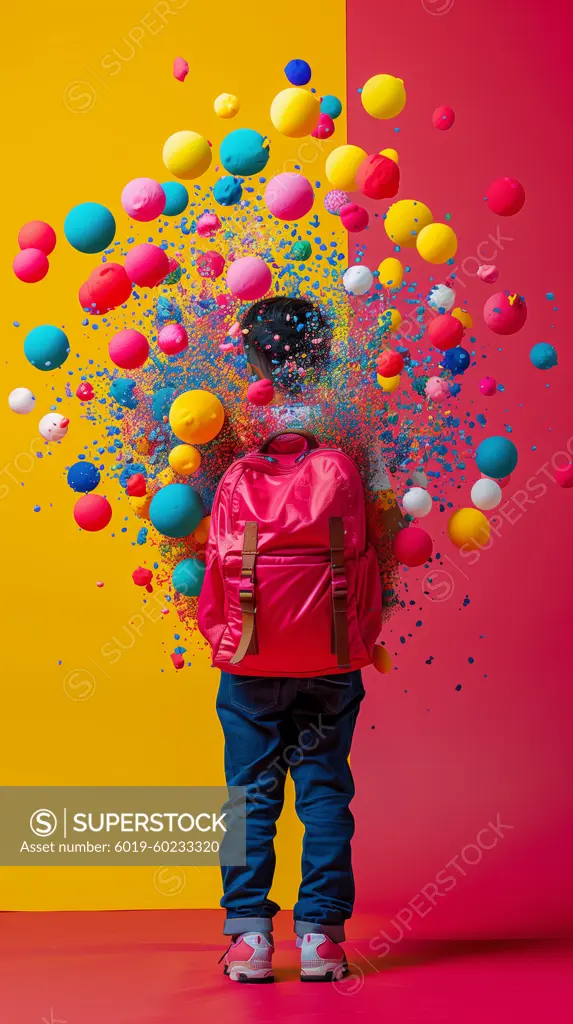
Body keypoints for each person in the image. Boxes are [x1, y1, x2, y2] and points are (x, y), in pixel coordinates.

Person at [217, 296, 398, 983]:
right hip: (329, 641)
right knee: (323, 788)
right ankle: (321, 940)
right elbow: (379, 521)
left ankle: (249, 941)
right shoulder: (350, 424)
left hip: (252, 644)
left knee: (247, 793)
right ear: (323, 353)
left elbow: (207, 537)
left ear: (252, 354)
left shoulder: (229, 425)